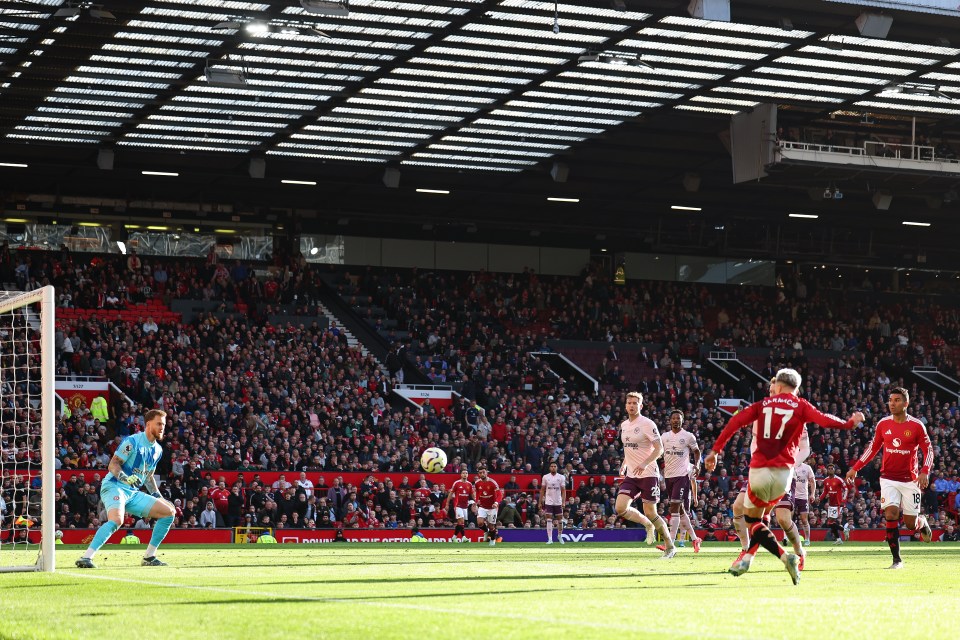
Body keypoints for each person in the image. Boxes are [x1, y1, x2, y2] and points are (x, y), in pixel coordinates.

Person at [705, 368, 863, 585]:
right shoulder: (801, 406)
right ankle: (749, 557)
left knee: (753, 520)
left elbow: (734, 423)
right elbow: (825, 420)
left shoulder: (761, 406)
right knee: (765, 516)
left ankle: (783, 555)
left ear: (777, 386)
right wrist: (848, 424)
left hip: (759, 470)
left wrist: (715, 451)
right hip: (784, 476)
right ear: (796, 389)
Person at [76, 409, 176, 568]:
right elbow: (113, 464)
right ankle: (86, 558)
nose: (162, 427)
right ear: (148, 424)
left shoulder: (158, 450)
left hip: (133, 493)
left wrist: (158, 496)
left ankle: (149, 557)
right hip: (114, 486)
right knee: (117, 520)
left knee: (169, 512)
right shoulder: (133, 441)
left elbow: (149, 476)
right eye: (159, 424)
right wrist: (125, 478)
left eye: (163, 424)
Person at [846, 387, 933, 569]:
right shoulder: (883, 424)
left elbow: (928, 450)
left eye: (897, 400)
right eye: (890, 400)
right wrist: (855, 467)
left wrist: (925, 470)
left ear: (906, 403)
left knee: (910, 524)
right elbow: (873, 448)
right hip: (888, 478)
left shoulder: (917, 426)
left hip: (911, 480)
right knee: (890, 514)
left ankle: (921, 522)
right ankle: (897, 560)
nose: (892, 404)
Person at [615, 391, 671, 557]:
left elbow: (659, 448)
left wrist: (645, 463)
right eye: (629, 403)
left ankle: (670, 546)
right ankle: (648, 525)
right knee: (620, 508)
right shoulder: (624, 425)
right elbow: (629, 448)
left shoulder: (647, 424)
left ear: (641, 406)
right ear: (626, 406)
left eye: (635, 403)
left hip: (648, 473)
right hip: (632, 475)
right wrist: (625, 464)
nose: (632, 406)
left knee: (651, 512)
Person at [659, 410, 702, 552]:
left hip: (682, 476)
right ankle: (695, 540)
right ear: (670, 421)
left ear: (682, 421)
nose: (676, 420)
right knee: (681, 511)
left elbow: (696, 451)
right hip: (669, 476)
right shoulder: (664, 437)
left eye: (678, 418)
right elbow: (658, 451)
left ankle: (670, 544)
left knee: (674, 509)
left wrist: (697, 465)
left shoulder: (688, 436)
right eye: (673, 418)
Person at [539, 460, 567, 544]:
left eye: (555, 466)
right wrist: (540, 502)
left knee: (560, 520)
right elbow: (542, 490)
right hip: (549, 501)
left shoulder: (561, 477)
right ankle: (550, 539)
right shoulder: (545, 477)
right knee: (549, 519)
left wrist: (563, 502)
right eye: (552, 466)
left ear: (557, 468)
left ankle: (559, 535)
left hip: (558, 501)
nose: (553, 468)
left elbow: (563, 491)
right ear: (549, 468)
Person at [819, 465, 847, 544]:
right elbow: (825, 491)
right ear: (827, 470)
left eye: (832, 469)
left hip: (838, 504)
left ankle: (844, 530)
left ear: (834, 470)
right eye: (829, 469)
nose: (830, 470)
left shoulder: (839, 480)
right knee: (830, 523)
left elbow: (846, 489)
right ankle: (838, 539)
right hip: (831, 504)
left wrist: (843, 500)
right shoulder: (826, 480)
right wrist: (819, 499)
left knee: (830, 522)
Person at [444, 468, 474, 542]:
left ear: (468, 475)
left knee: (460, 523)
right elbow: (450, 493)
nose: (465, 474)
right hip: (457, 505)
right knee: (461, 521)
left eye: (466, 473)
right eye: (463, 473)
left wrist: (476, 501)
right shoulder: (456, 483)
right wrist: (447, 504)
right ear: (461, 474)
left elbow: (472, 494)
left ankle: (454, 537)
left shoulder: (469, 484)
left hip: (465, 506)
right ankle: (464, 537)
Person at [793, 454, 816, 546]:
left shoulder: (807, 468)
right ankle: (786, 537)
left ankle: (807, 539)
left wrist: (812, 494)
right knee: (789, 518)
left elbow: (812, 481)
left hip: (803, 497)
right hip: (792, 496)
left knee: (804, 519)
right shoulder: (790, 467)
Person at [474, 467, 500, 546]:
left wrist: (496, 502)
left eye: (483, 472)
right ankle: (486, 531)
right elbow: (478, 492)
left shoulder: (492, 482)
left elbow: (500, 494)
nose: (482, 474)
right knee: (480, 523)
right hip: (482, 506)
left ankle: (492, 539)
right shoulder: (477, 483)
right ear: (479, 474)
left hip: (492, 508)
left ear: (486, 473)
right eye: (480, 473)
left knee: (491, 526)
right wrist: (476, 500)